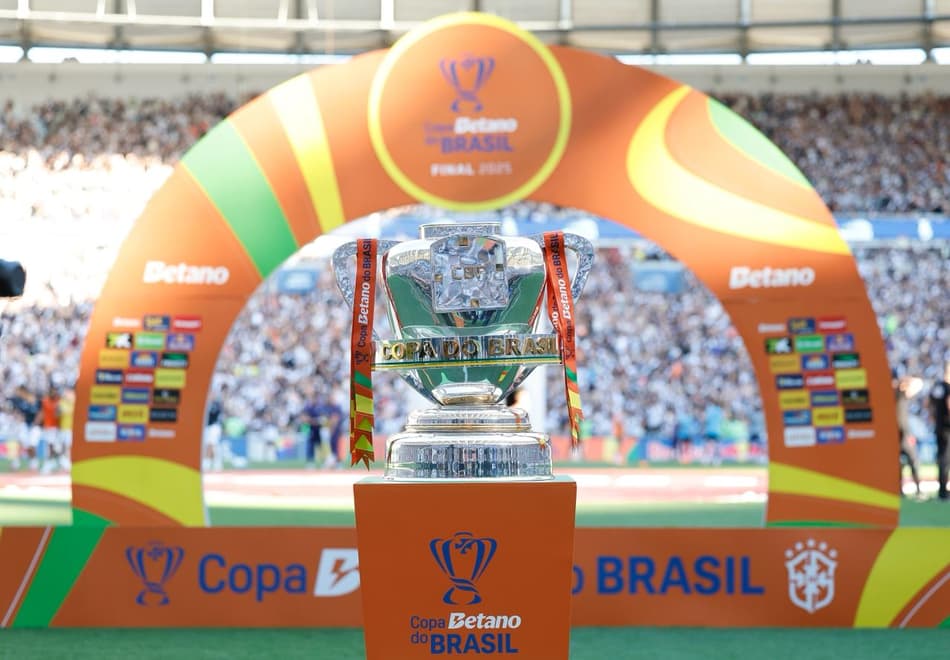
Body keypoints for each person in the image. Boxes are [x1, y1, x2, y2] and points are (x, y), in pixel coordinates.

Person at [894, 371, 924, 498]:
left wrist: (905, 381)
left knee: (913, 461)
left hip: (904, 434)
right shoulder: (894, 395)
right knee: (899, 465)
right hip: (897, 435)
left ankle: (917, 489)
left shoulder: (901, 396)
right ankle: (900, 490)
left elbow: (916, 385)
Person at [302, 384, 343, 469]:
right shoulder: (308, 406)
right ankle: (311, 462)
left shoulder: (323, 406)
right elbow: (305, 419)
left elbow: (329, 419)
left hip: (323, 430)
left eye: (316, 397)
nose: (315, 399)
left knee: (327, 447)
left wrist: (323, 423)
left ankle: (332, 462)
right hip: (312, 430)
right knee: (311, 445)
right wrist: (316, 421)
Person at [929, 362, 950, 501]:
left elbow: (928, 404)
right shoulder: (947, 388)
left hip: (938, 427)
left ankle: (942, 491)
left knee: (941, 459)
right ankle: (943, 492)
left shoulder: (936, 386)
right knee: (946, 460)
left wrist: (934, 418)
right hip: (948, 428)